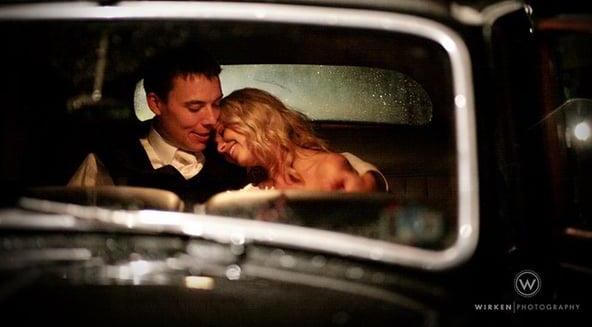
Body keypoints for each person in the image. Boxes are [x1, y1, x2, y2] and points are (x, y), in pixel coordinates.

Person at [68, 46, 246, 206]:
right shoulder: (108, 162)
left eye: (216, 103)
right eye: (195, 107)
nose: (212, 119)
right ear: (155, 104)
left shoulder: (234, 156)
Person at [215, 88, 387, 192]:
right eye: (215, 142)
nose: (220, 148)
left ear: (253, 119)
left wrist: (370, 182)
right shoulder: (253, 189)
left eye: (222, 132)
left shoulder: (330, 167)